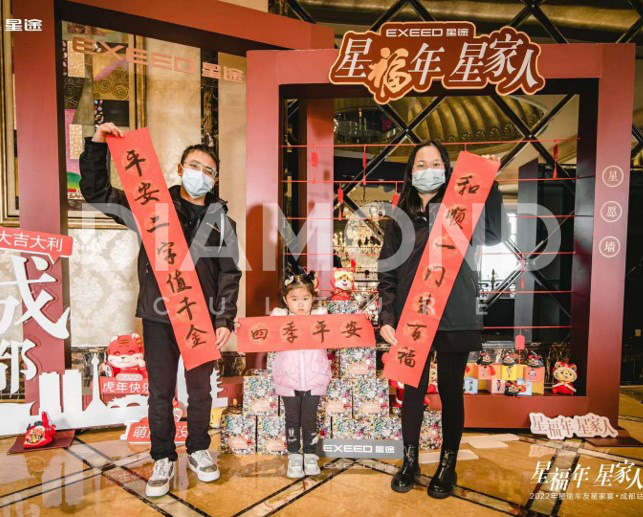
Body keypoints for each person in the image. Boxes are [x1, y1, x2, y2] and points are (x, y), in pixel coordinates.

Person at [79, 122, 241, 497]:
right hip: (159, 316)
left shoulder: (223, 222)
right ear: (180, 169)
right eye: (194, 166)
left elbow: (230, 274)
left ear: (215, 179)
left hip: (201, 319)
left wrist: (224, 319)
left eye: (208, 170)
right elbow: (97, 193)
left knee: (200, 391)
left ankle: (198, 449)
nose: (200, 174)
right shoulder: (150, 208)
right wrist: (97, 146)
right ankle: (163, 456)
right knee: (160, 391)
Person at [378, 140, 508, 499]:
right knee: (412, 391)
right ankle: (410, 461)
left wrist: (490, 185)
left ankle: (447, 464)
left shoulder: (461, 211)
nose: (428, 170)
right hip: (413, 317)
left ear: (447, 170)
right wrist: (387, 315)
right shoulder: (399, 218)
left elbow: (496, 235)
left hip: (456, 314)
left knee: (451, 390)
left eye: (435, 163)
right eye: (421, 164)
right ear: (411, 172)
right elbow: (387, 272)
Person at [268, 270, 331, 478]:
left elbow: (342, 329)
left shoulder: (321, 318)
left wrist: (362, 320)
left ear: (313, 298)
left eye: (305, 298)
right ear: (286, 300)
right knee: (292, 419)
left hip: (315, 378)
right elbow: (259, 332)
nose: (301, 304)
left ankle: (310, 454)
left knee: (310, 419)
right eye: (294, 299)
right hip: (288, 378)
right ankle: (294, 455)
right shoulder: (279, 318)